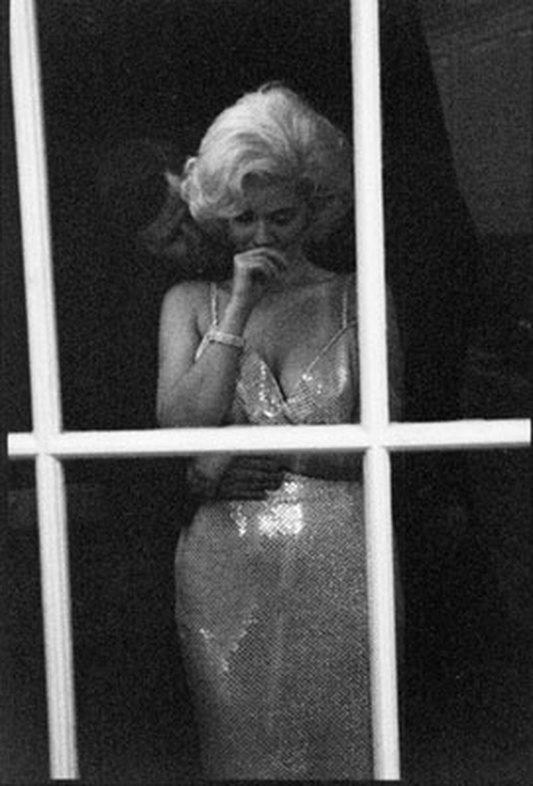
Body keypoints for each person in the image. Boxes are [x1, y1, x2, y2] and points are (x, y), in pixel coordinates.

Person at [156, 83, 402, 780]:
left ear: (315, 205)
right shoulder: (188, 303)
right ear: (216, 218)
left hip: (343, 559)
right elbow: (178, 429)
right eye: (242, 219)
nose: (262, 236)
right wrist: (237, 307)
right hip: (224, 568)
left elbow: (388, 443)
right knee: (240, 753)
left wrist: (241, 449)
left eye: (281, 216)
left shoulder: (361, 297)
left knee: (349, 745)